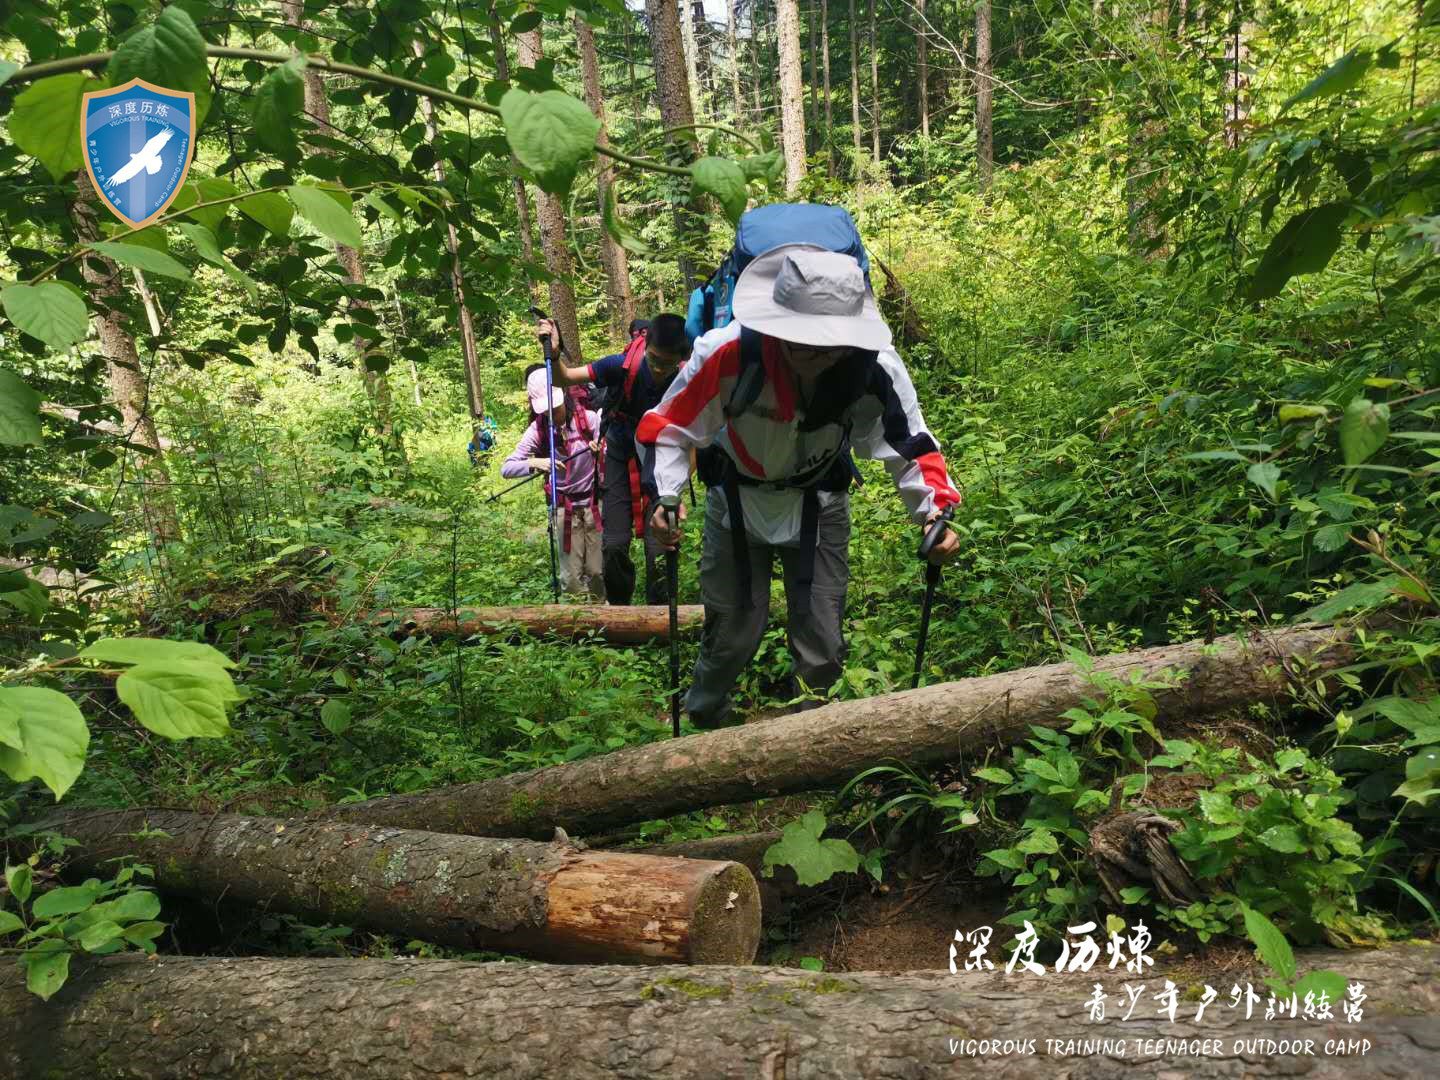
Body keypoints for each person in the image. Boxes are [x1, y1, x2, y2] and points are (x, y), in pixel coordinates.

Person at [636, 244, 962, 727]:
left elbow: (910, 442)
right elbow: (671, 426)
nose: (815, 354)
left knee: (822, 636)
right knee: (732, 628)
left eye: (829, 342)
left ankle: (811, 739)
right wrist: (666, 495)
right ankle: (705, 721)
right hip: (737, 502)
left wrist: (935, 512)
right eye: (801, 340)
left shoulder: (873, 367)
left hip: (821, 502)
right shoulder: (726, 352)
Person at [540, 313, 689, 606]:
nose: (659, 370)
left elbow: (693, 440)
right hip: (621, 452)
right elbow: (565, 377)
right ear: (645, 347)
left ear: (680, 359)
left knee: (661, 543)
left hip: (662, 457)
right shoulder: (620, 366)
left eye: (667, 364)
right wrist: (555, 352)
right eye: (654, 360)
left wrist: (678, 488)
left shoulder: (687, 376)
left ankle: (660, 617)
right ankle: (622, 615)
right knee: (614, 545)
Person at [500, 368, 604, 599]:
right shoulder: (538, 430)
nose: (551, 414)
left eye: (554, 407)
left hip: (593, 504)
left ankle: (602, 627)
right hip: (563, 509)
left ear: (564, 396)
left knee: (597, 573)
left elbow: (608, 448)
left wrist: (600, 448)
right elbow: (506, 468)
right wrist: (538, 462)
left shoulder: (589, 419)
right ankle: (578, 629)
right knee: (571, 579)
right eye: (546, 410)